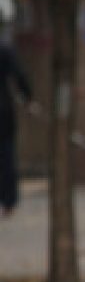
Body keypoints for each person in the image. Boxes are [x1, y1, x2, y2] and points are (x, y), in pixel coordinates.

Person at [0, 37, 34, 217]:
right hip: (4, 110)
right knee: (6, 156)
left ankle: (8, 201)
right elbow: (19, 74)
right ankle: (8, 202)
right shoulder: (5, 49)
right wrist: (28, 98)